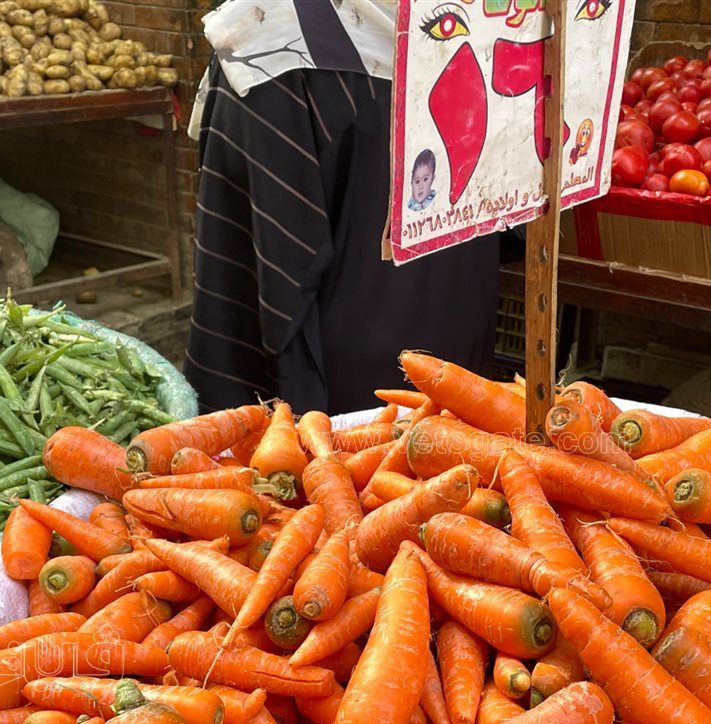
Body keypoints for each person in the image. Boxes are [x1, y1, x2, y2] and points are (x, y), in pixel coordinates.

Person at [185, 0, 501, 415]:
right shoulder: (495, 20)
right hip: (421, 381)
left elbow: (250, 278)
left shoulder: (270, 42)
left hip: (382, 387)